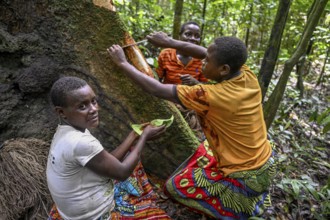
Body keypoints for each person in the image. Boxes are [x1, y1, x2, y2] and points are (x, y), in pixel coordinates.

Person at [107, 33, 275, 219]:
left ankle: (230, 211)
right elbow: (204, 52)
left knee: (173, 187)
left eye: (207, 61)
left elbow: (157, 89)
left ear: (224, 69)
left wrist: (122, 63)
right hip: (263, 156)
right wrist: (169, 43)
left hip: (244, 175)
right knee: (204, 149)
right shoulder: (246, 74)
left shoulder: (210, 95)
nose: (202, 61)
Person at [46, 76, 170, 220]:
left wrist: (134, 136)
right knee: (134, 172)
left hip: (72, 209)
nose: (93, 109)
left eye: (93, 101)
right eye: (82, 106)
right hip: (92, 215)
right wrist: (144, 137)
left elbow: (106, 160)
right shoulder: (80, 142)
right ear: (61, 112)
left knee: (131, 158)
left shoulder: (66, 131)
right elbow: (122, 172)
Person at [156, 21, 208, 85]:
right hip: (168, 93)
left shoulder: (202, 59)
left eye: (197, 36)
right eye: (188, 34)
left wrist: (195, 83)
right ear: (180, 36)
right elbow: (157, 79)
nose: (193, 38)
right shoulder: (166, 54)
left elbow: (205, 85)